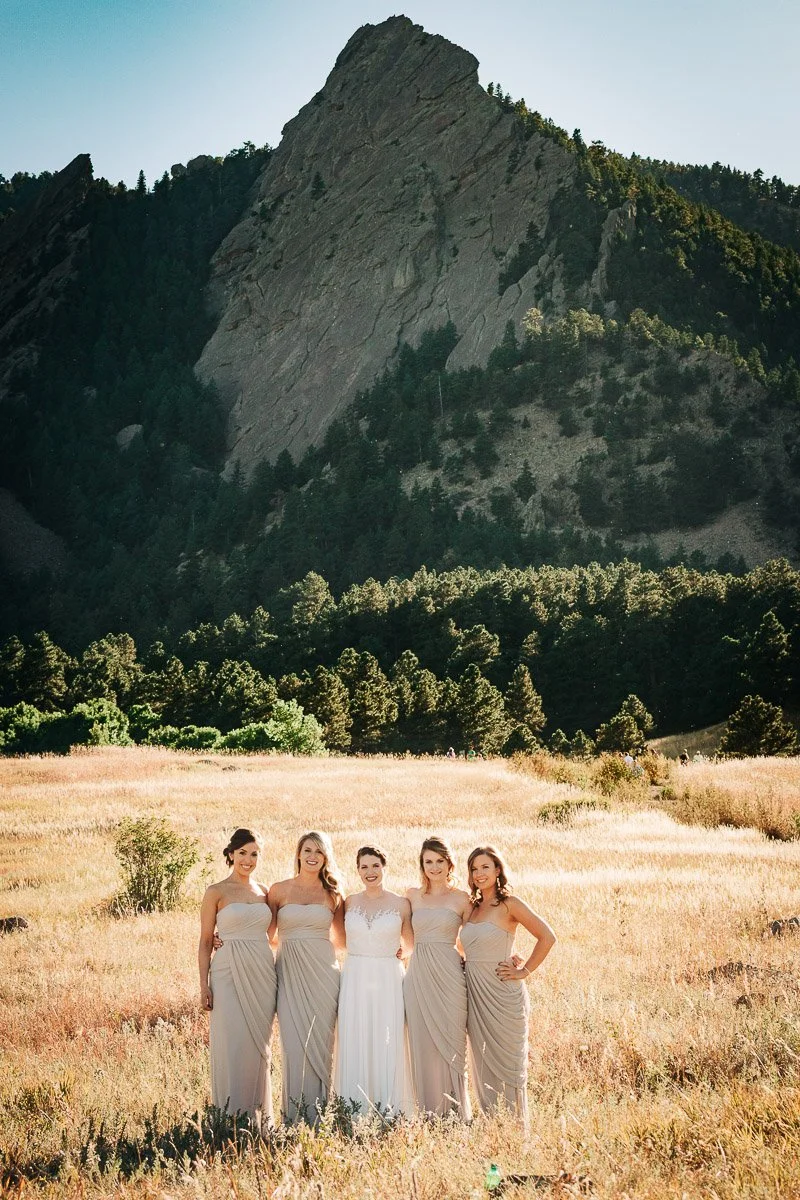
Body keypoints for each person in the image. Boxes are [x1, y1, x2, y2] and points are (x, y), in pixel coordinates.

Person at [461, 846, 555, 1128]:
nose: (479, 874)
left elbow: (547, 937)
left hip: (503, 994)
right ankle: (493, 1128)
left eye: (485, 867)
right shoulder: (471, 907)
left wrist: (523, 970)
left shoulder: (510, 904)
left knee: (509, 1064)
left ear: (498, 870)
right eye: (474, 869)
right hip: (476, 996)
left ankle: (516, 1130)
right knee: (483, 1061)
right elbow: (463, 945)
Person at [198, 827, 277, 1127]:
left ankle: (258, 1120)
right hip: (227, 972)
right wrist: (203, 985)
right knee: (231, 1042)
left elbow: (272, 934)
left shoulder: (264, 892)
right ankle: (228, 1119)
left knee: (259, 1048)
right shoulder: (216, 892)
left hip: (261, 972)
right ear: (231, 854)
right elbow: (206, 941)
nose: (248, 859)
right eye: (242, 853)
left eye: (254, 854)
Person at [269, 831, 345, 1124]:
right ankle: (293, 1117)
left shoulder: (333, 893)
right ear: (298, 854)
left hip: (323, 974)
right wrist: (223, 939)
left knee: (322, 1044)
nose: (313, 856)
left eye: (320, 852)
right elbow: (266, 936)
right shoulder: (278, 891)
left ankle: (321, 1116)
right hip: (289, 973)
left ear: (326, 858)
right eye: (308, 850)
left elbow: (342, 940)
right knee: (293, 1044)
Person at [334, 845, 414, 1117]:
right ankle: (354, 1109)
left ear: (384, 867)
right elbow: (339, 939)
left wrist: (400, 953)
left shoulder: (401, 903)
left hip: (388, 977)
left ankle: (390, 1108)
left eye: (375, 866)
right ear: (357, 870)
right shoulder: (348, 902)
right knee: (355, 1033)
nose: (370, 872)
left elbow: (412, 944)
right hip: (355, 975)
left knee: (387, 1037)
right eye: (364, 867)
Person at [404, 836, 472, 1118]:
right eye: (428, 861)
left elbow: (473, 938)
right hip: (418, 972)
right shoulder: (411, 896)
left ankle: (456, 1112)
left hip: (449, 973)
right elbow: (405, 936)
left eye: (439, 861)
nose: (434, 867)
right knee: (421, 1041)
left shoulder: (462, 899)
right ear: (422, 865)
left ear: (449, 863)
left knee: (452, 1039)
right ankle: (427, 1112)